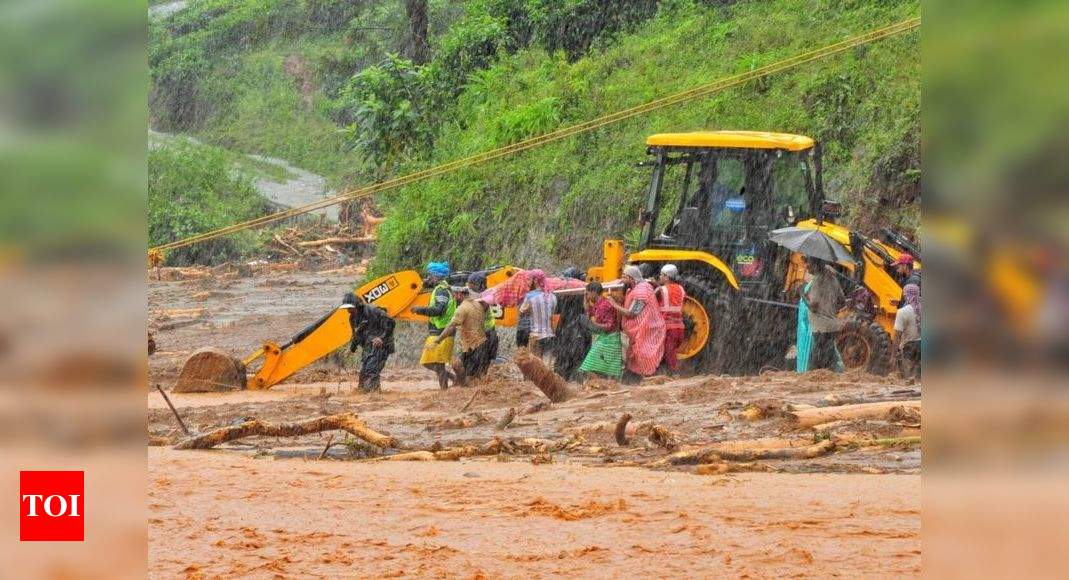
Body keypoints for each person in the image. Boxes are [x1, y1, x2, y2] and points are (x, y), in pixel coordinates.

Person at [608, 265, 666, 381]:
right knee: (635, 354)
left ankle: (651, 377)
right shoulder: (634, 288)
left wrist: (614, 304)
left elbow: (632, 313)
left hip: (649, 329)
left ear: (632, 279)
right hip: (639, 330)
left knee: (643, 354)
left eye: (624, 277)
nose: (622, 280)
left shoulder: (641, 292)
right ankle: (635, 378)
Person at [412, 261, 456, 389]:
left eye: (430, 276)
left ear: (436, 276)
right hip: (440, 329)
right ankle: (451, 382)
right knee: (432, 362)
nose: (428, 278)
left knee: (434, 362)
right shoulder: (443, 288)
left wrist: (420, 310)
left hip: (442, 330)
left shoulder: (441, 291)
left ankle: (446, 388)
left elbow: (439, 310)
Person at [434, 287, 491, 385]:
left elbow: (451, 327)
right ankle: (465, 386)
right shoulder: (478, 304)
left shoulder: (462, 308)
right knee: (467, 369)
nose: (453, 297)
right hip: (480, 343)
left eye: (454, 295)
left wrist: (439, 339)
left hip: (473, 345)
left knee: (470, 377)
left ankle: (465, 387)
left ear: (460, 294)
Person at [342, 293, 395, 392]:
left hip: (382, 346)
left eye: (350, 308)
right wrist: (351, 348)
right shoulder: (352, 318)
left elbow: (391, 322)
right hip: (368, 347)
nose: (348, 311)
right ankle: (366, 394)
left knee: (371, 370)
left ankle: (375, 395)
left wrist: (381, 338)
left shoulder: (372, 311)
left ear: (357, 305)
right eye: (346, 308)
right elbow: (356, 334)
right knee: (363, 374)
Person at [802, 260, 844, 371]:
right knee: (828, 358)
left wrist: (802, 294)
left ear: (815, 264)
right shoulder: (833, 280)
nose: (807, 266)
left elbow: (813, 307)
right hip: (832, 326)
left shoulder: (817, 281)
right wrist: (829, 308)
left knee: (816, 363)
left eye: (809, 263)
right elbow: (842, 301)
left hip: (821, 328)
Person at [578, 281, 623, 379]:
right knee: (600, 368)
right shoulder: (598, 303)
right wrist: (585, 298)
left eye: (588, 294)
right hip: (604, 338)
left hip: (610, 340)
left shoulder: (604, 305)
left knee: (590, 366)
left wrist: (594, 324)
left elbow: (609, 326)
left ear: (594, 292)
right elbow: (588, 311)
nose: (587, 296)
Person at [655, 264, 686, 374]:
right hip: (680, 328)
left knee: (668, 354)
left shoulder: (661, 290)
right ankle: (666, 374)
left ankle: (673, 376)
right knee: (671, 352)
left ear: (667, 277)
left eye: (661, 275)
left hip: (668, 329)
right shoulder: (681, 289)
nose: (659, 277)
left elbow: (650, 299)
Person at [519, 269, 557, 357]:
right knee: (544, 364)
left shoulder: (530, 296)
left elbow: (522, 311)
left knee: (535, 364)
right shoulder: (553, 296)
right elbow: (551, 313)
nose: (529, 281)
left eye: (531, 279)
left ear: (535, 280)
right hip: (549, 335)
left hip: (536, 335)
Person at [467, 271, 499, 363]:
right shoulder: (487, 294)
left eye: (469, 283)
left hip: (484, 335)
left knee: (477, 364)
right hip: (488, 333)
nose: (468, 285)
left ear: (475, 284)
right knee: (483, 365)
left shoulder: (484, 298)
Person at [894, 283, 922, 379]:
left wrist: (893, 354)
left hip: (910, 348)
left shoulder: (902, 312)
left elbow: (897, 335)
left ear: (906, 295)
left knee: (908, 378)